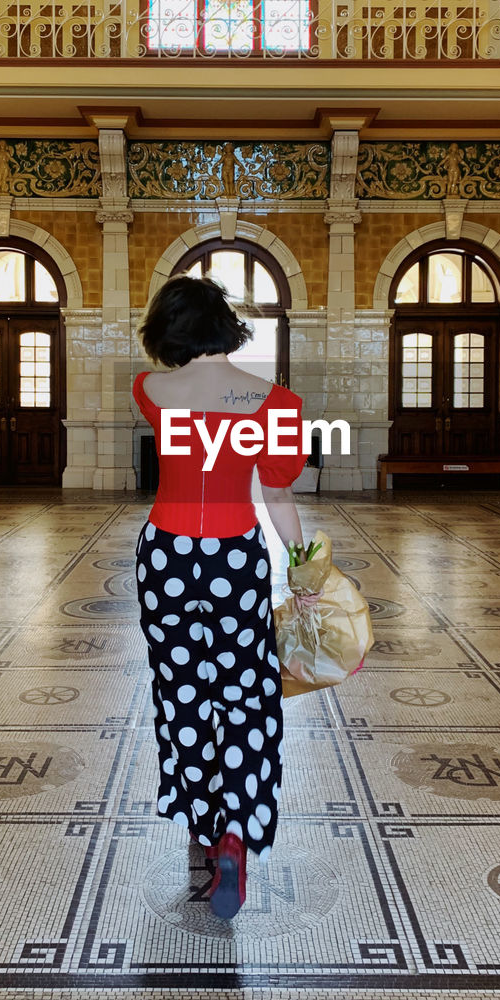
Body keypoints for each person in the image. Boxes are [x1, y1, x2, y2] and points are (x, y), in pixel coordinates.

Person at [133, 274, 312, 919]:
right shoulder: (274, 401)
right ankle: (236, 832)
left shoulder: (152, 390)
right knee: (245, 694)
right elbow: (278, 494)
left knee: (183, 695)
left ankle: (200, 839)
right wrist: (300, 567)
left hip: (166, 555)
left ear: (170, 328)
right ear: (226, 325)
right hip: (235, 557)